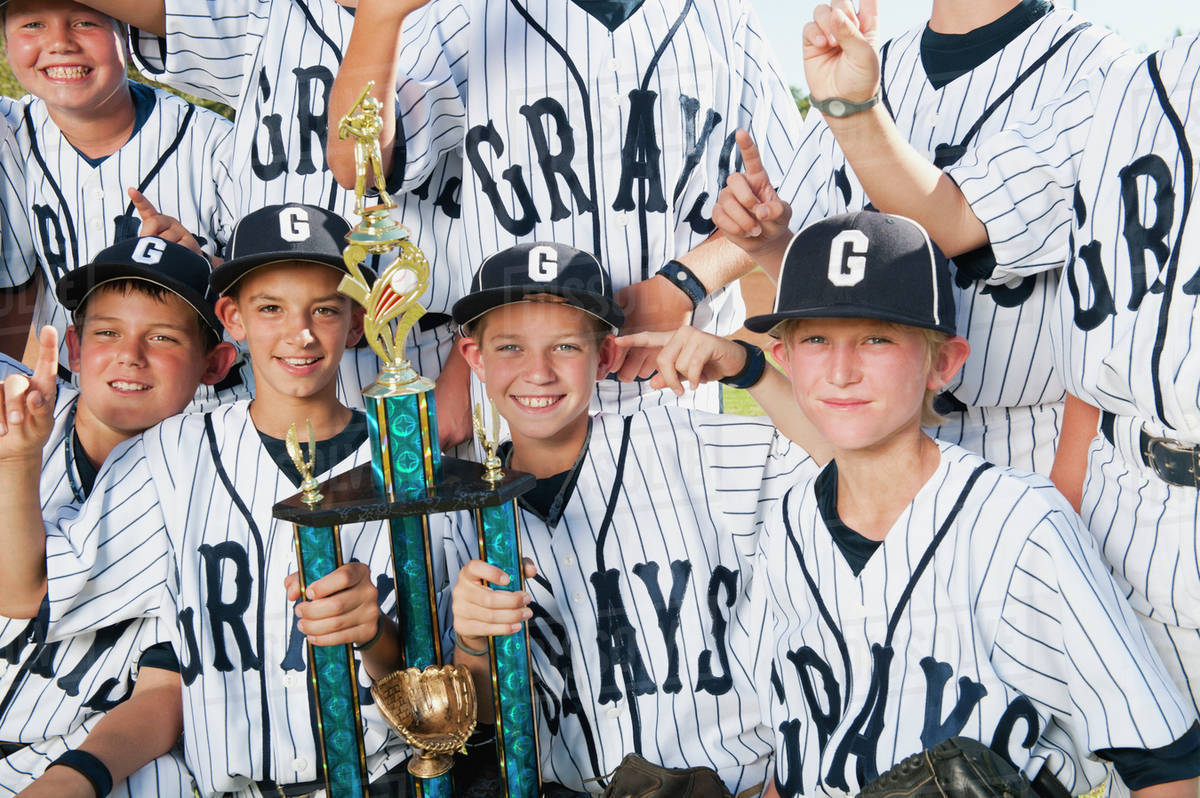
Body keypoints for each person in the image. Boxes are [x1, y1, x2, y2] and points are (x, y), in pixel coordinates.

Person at [783, 0, 1200, 720]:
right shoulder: (1132, 84)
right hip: (890, 440)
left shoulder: (1098, 66)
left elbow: (968, 229)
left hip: (1033, 446)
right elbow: (832, 266)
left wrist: (1064, 498)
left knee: (1100, 730)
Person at [731, 210, 1200, 798]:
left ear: (943, 362)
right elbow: (790, 749)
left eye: (877, 338)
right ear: (783, 358)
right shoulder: (789, 521)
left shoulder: (1021, 521)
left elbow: (1166, 768)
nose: (842, 371)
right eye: (816, 339)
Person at [0, 203, 411, 797]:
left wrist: (375, 636)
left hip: (379, 775)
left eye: (323, 309)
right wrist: (16, 462)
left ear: (356, 322)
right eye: (270, 308)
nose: (299, 331)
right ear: (236, 319)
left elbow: (450, 689)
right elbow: (28, 591)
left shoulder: (411, 461)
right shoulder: (170, 453)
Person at [442, 241, 818, 793]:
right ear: (474, 358)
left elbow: (851, 471)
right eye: (510, 348)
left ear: (606, 355)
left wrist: (748, 367)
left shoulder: (698, 449)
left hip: (737, 782)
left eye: (566, 346)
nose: (539, 372)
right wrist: (472, 643)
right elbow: (481, 719)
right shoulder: (460, 515)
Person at [327, 0, 806, 415]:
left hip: (679, 389)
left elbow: (790, 196)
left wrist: (687, 280)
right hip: (512, 402)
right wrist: (379, 18)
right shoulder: (463, 14)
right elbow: (358, 166)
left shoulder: (724, 18)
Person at [721, 0, 1124, 475]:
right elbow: (829, 279)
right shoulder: (865, 63)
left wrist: (852, 110)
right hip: (871, 441)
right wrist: (769, 242)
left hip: (1029, 443)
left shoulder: (1103, 71)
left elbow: (953, 223)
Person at [86, 0, 472, 443]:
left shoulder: (468, 17)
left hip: (426, 353)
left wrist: (460, 378)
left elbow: (507, 232)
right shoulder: (262, 13)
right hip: (275, 365)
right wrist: (214, 270)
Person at [0, 237, 237, 796]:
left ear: (215, 363)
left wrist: (71, 782)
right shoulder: (14, 409)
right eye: (108, 333)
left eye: (162, 337)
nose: (130, 354)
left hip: (67, 752)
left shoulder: (211, 478)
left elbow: (163, 694)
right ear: (76, 350)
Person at [0, 0, 241, 405]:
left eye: (84, 22)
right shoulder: (12, 137)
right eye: (33, 24)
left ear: (129, 36)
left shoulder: (217, 144)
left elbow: (278, 296)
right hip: (75, 406)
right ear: (6, 44)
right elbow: (13, 295)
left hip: (213, 403)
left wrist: (207, 266)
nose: (60, 42)